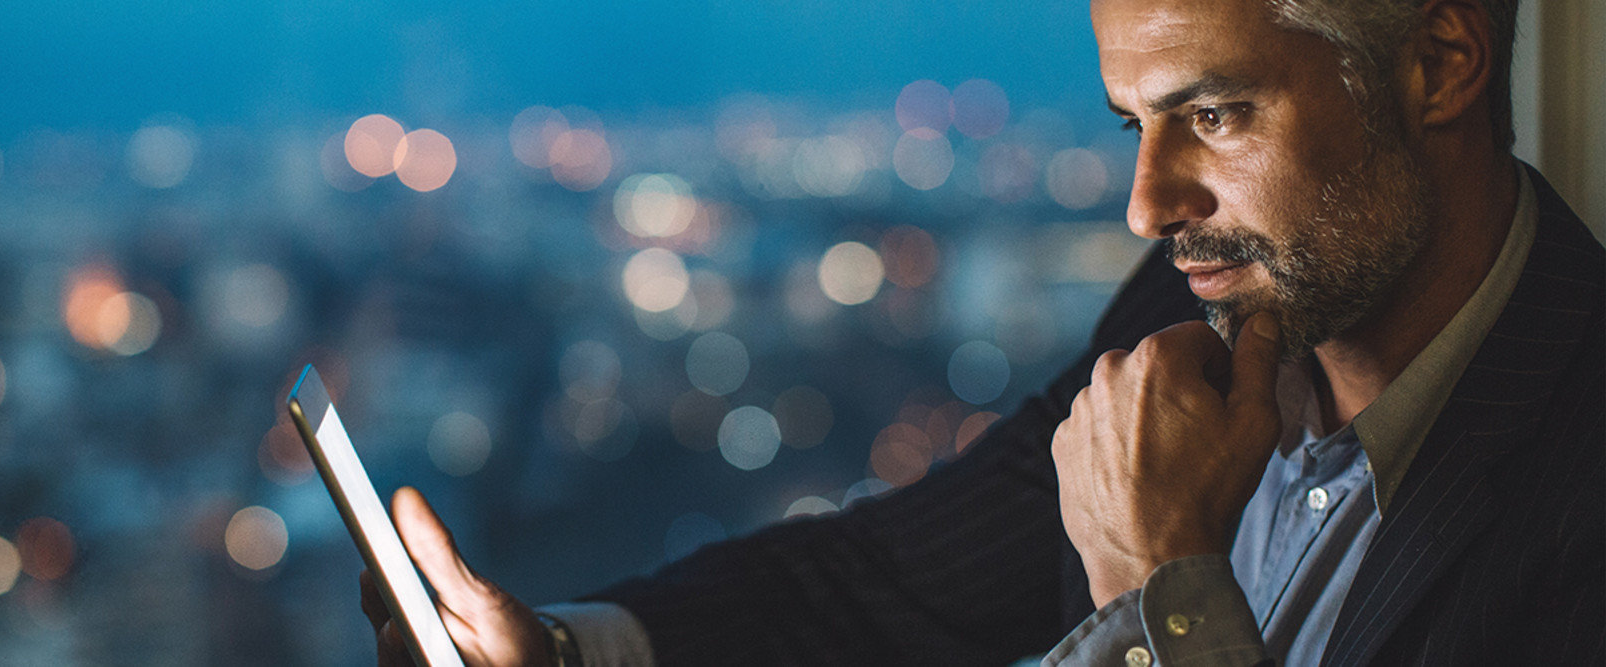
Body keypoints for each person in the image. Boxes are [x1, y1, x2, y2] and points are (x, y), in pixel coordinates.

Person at [362, 0, 1605, 664]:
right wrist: (564, 656)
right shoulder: (1201, 314)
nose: (1147, 205)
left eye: (1216, 113)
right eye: (1136, 125)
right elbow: (892, 581)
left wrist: (1158, 597)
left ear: (1441, 64)